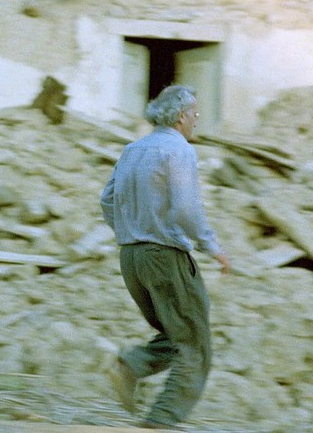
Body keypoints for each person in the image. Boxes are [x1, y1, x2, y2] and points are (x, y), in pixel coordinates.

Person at [99, 84, 231, 429]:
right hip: (165, 256)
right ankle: (161, 422)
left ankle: (131, 365)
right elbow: (185, 209)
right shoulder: (179, 150)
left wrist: (130, 233)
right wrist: (212, 246)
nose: (197, 121)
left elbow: (107, 200)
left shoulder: (132, 149)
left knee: (176, 334)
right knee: (195, 346)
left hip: (131, 259)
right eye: (195, 114)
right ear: (180, 116)